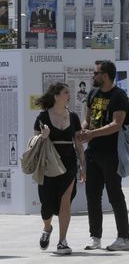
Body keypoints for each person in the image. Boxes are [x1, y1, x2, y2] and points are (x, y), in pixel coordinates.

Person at [80, 60, 129, 251]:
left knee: (115, 195)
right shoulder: (93, 93)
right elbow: (88, 120)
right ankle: (95, 237)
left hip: (111, 153)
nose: (93, 76)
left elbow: (116, 124)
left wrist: (91, 134)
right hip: (93, 152)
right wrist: (82, 131)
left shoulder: (119, 96)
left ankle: (124, 238)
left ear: (106, 75)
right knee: (92, 196)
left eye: (96, 73)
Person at [34, 83, 86, 255]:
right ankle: (47, 228)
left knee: (65, 200)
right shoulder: (42, 117)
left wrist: (83, 166)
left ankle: (62, 241)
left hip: (69, 163)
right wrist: (44, 136)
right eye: (65, 92)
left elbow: (78, 143)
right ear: (56, 96)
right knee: (47, 205)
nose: (68, 95)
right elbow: (35, 145)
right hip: (48, 164)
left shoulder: (74, 117)